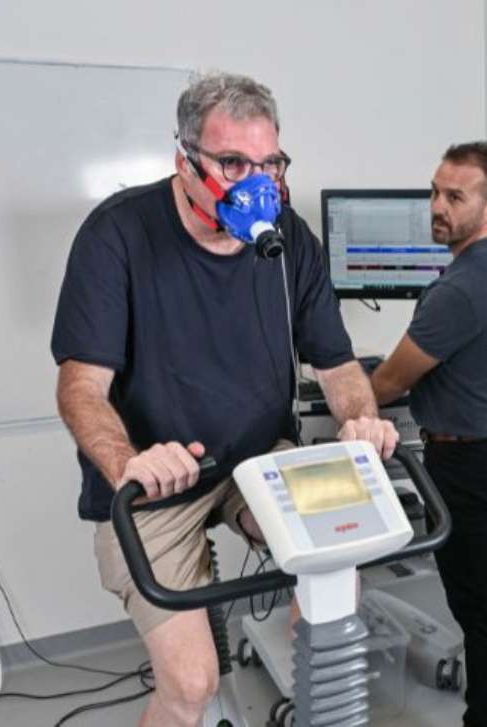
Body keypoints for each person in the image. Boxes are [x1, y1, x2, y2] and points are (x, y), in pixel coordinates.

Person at [50, 71, 397, 727]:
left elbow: (337, 363)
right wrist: (127, 462)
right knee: (190, 684)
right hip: (156, 479)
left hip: (258, 456)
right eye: (233, 162)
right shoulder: (116, 236)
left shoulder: (288, 238)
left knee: (334, 606)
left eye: (270, 163)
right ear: (185, 161)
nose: (256, 181)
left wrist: (361, 417)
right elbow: (79, 389)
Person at [370, 141, 487, 727]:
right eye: (435, 192)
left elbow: (390, 379)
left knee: (474, 599)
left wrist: (346, 393)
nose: (437, 206)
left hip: (466, 463)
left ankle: (484, 717)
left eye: (455, 196)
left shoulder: (460, 288)